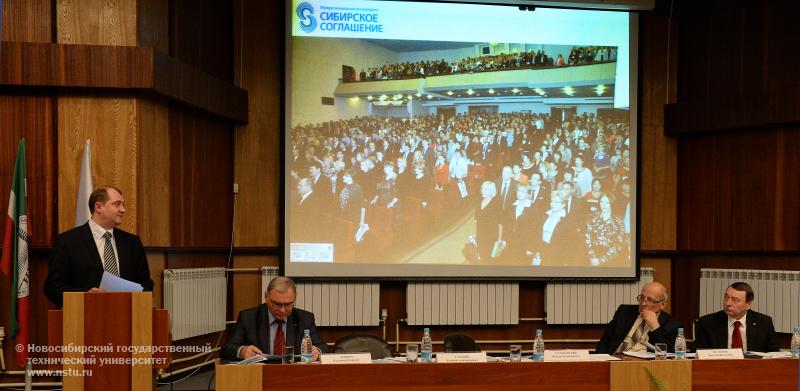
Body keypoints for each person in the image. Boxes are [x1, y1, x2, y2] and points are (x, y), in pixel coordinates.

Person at [44, 186, 154, 307]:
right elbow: (53, 288)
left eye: (123, 204)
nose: (123, 210)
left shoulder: (132, 242)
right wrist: (86, 295)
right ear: (98, 207)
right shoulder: (67, 241)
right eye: (117, 204)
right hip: (83, 317)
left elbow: (146, 284)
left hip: (127, 315)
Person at [222, 276, 331, 361]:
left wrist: (317, 351)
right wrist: (242, 351)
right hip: (260, 374)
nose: (283, 310)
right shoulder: (248, 318)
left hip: (294, 374)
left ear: (295, 298)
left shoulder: (305, 318)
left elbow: (325, 348)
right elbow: (226, 349)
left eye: (288, 304)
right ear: (266, 297)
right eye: (277, 304)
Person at [595, 282, 682, 354]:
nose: (643, 303)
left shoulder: (673, 325)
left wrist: (655, 327)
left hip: (645, 365)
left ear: (663, 304)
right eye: (642, 298)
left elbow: (669, 353)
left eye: (650, 300)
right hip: (615, 358)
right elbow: (605, 341)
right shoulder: (624, 312)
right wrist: (600, 360)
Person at [693, 282, 779, 352]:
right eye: (726, 297)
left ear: (748, 304)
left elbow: (774, 353)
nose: (728, 303)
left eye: (735, 300)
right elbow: (697, 352)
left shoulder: (764, 322)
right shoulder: (708, 322)